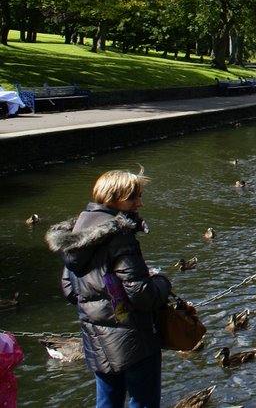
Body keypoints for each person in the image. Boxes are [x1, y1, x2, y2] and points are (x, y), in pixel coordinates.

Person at [45, 169, 171, 408]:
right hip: (133, 338)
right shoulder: (119, 234)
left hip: (96, 338)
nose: (139, 203)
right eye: (133, 197)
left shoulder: (76, 233)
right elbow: (143, 295)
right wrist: (162, 281)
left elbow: (71, 290)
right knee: (144, 402)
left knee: (107, 402)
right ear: (114, 197)